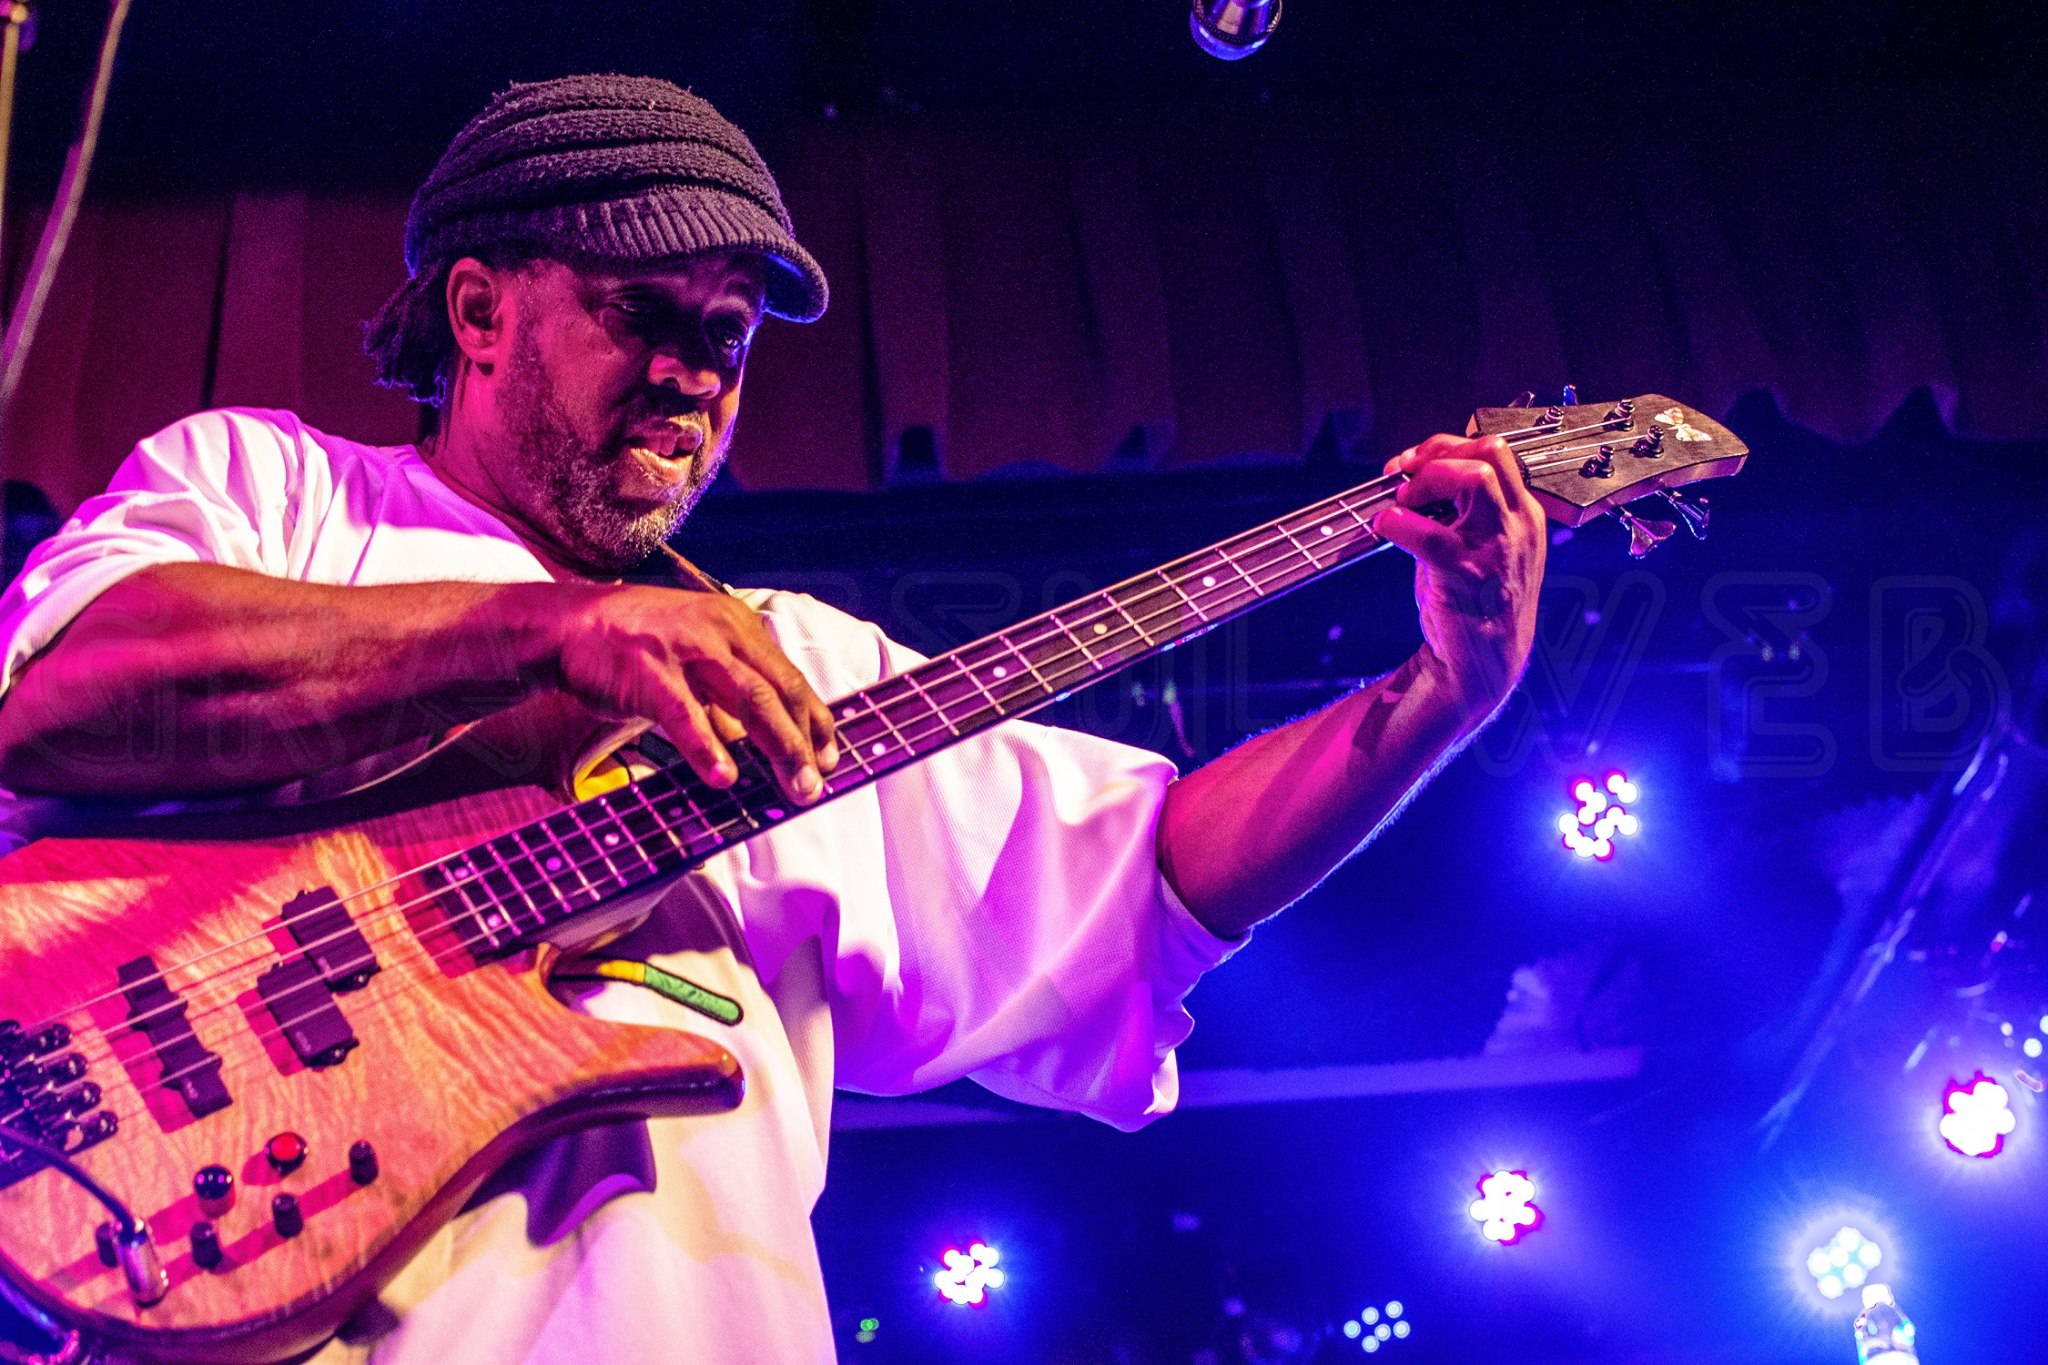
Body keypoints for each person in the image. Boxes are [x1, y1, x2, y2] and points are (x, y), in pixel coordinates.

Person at [0, 76, 1544, 1362]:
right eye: (638, 314)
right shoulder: (274, 493)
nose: (692, 374)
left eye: (726, 336)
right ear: (478, 310)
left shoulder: (788, 667)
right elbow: (64, 689)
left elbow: (1149, 876)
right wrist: (552, 628)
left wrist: (1435, 701)